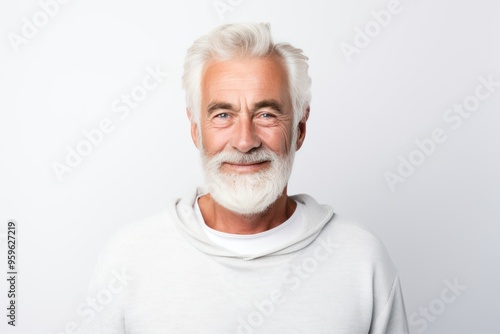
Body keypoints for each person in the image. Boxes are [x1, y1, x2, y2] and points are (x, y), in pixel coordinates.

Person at [80, 22, 409, 334]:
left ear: (299, 129)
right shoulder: (129, 258)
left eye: (266, 114)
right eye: (223, 115)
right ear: (196, 130)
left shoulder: (361, 260)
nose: (244, 141)